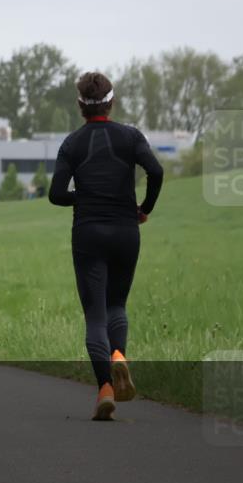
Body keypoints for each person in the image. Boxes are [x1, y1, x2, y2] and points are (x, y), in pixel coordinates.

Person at [49, 72, 163, 421]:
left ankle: (105, 389)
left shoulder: (72, 143)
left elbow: (55, 195)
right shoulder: (130, 136)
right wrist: (144, 209)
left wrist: (82, 195)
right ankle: (118, 356)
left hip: (88, 233)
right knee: (117, 304)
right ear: (111, 102)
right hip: (127, 231)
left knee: (95, 313)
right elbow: (156, 171)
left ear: (80, 105)